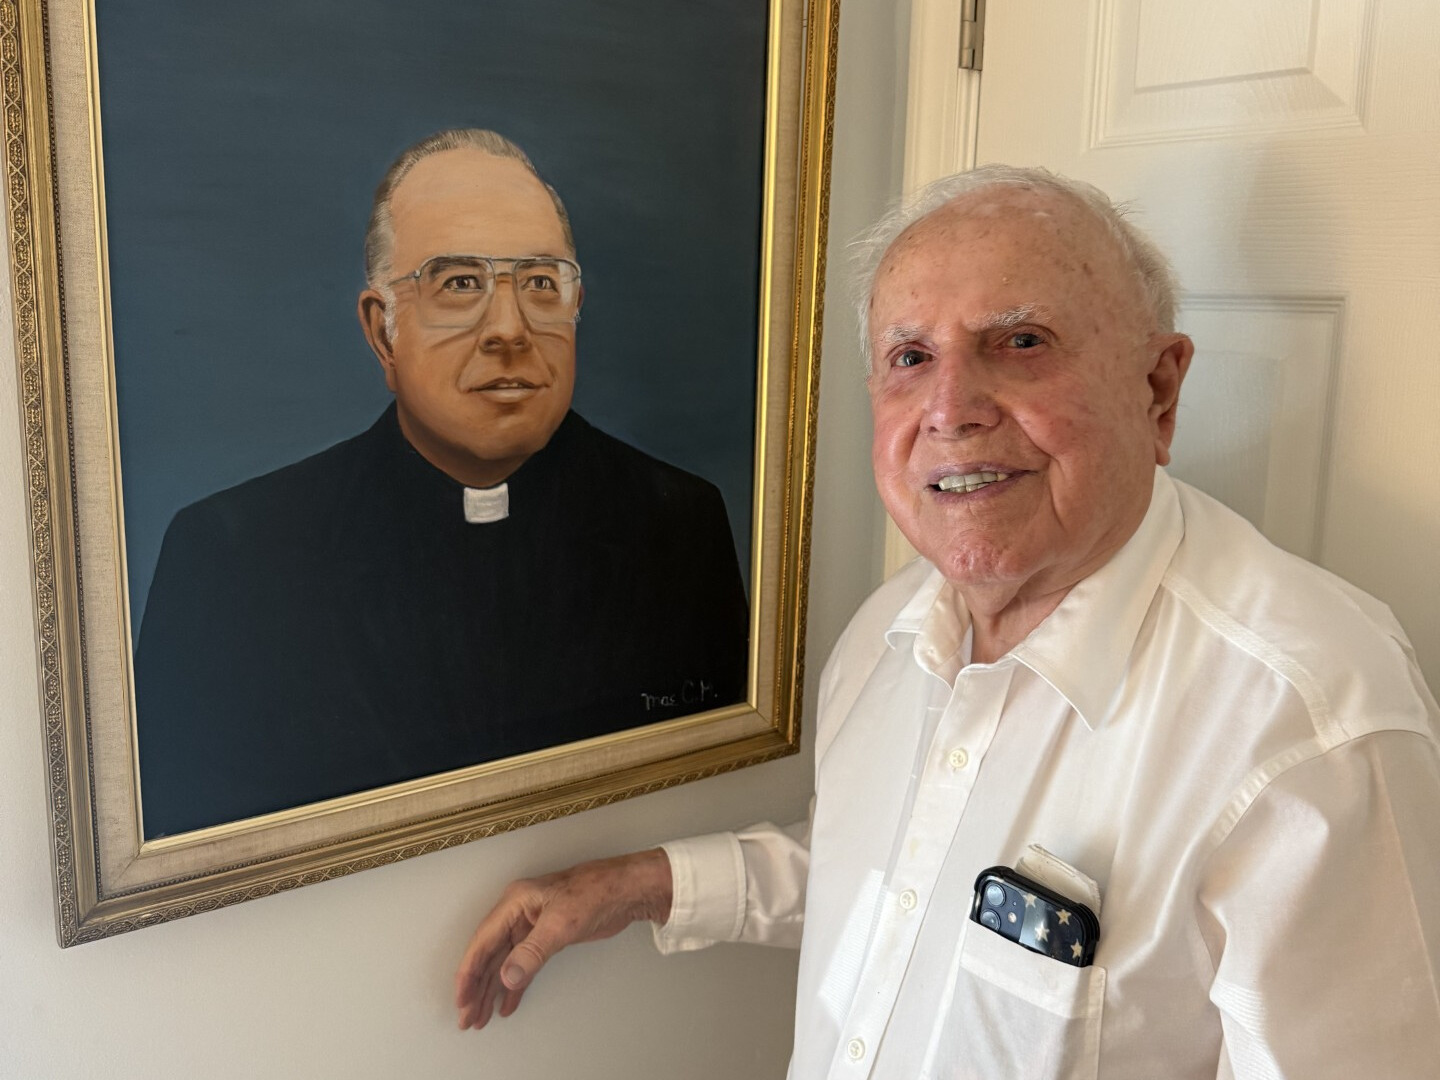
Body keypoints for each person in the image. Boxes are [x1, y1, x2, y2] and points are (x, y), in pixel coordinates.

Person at [452, 165, 1440, 1077]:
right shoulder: (888, 632)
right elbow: (892, 879)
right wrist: (640, 884)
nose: (952, 407)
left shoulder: (1310, 720)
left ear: (1157, 388)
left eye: (1021, 343)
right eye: (911, 356)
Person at [135, 129, 749, 839]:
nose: (509, 329)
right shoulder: (230, 559)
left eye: (541, 283)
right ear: (382, 333)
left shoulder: (680, 526)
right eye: (460, 283)